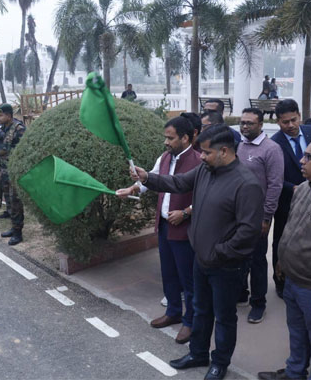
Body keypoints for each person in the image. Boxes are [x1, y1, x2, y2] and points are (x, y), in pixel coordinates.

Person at [120, 124, 264, 380]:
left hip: (226, 265)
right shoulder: (206, 170)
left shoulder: (247, 183)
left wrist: (220, 252)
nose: (202, 157)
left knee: (224, 317)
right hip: (202, 258)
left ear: (224, 151)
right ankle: (198, 353)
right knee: (200, 309)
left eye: (206, 152)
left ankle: (219, 362)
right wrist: (147, 178)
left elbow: (248, 232)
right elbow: (176, 183)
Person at [258, 134, 311, 380]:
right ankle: (294, 373)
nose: (301, 161)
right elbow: (293, 228)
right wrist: (282, 259)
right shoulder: (303, 189)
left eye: (309, 157)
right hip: (293, 280)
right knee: (296, 333)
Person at [117, 116, 200, 344]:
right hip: (164, 226)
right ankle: (173, 312)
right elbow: (150, 180)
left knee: (188, 280)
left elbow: (206, 196)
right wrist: (133, 187)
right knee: (169, 274)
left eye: (170, 138)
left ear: (186, 138)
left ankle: (190, 322)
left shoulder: (199, 161)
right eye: (165, 137)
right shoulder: (164, 157)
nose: (166, 142)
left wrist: (186, 212)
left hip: (185, 229)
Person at [236, 108, 284, 324]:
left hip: (258, 217)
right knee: (239, 256)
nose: (245, 126)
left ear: (261, 125)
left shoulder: (271, 149)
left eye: (250, 123)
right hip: (238, 214)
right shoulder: (239, 145)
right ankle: (242, 293)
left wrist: (266, 217)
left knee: (256, 260)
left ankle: (258, 303)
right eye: (242, 122)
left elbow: (275, 185)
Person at [270, 99, 311, 298]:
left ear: (299, 115)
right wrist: (294, 188)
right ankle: (280, 282)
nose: (290, 125)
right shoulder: (274, 144)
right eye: (284, 122)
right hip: (287, 201)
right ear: (278, 122)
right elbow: (273, 178)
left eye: (293, 120)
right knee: (281, 240)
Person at [0, 103, 25, 246]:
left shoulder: (19, 129)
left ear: (9, 115)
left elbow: (25, 150)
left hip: (14, 171)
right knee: (9, 200)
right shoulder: (3, 129)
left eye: (0, 115)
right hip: (5, 170)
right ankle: (13, 228)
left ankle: (18, 233)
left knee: (16, 201)